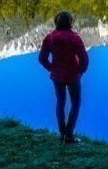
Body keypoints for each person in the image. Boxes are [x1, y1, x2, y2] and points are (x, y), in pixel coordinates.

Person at [38, 11, 88, 143]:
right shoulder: (75, 39)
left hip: (57, 76)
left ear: (56, 22)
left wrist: (51, 68)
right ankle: (69, 134)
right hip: (72, 75)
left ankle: (62, 133)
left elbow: (42, 58)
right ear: (70, 23)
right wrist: (81, 71)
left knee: (60, 102)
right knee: (75, 103)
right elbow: (84, 59)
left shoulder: (49, 38)